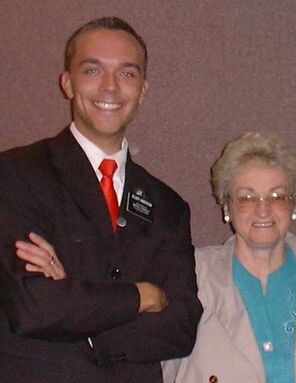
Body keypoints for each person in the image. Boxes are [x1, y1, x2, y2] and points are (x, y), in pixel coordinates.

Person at [0, 17, 202, 383]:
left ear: (142, 89)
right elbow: (35, 307)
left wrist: (78, 311)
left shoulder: (169, 205)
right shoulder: (14, 174)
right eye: (92, 70)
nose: (110, 87)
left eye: (127, 74)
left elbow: (182, 327)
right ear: (68, 83)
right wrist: (141, 296)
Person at [162, 132, 296, 383]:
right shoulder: (191, 275)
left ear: (294, 206)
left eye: (277, 197)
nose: (263, 209)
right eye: (247, 198)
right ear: (227, 207)